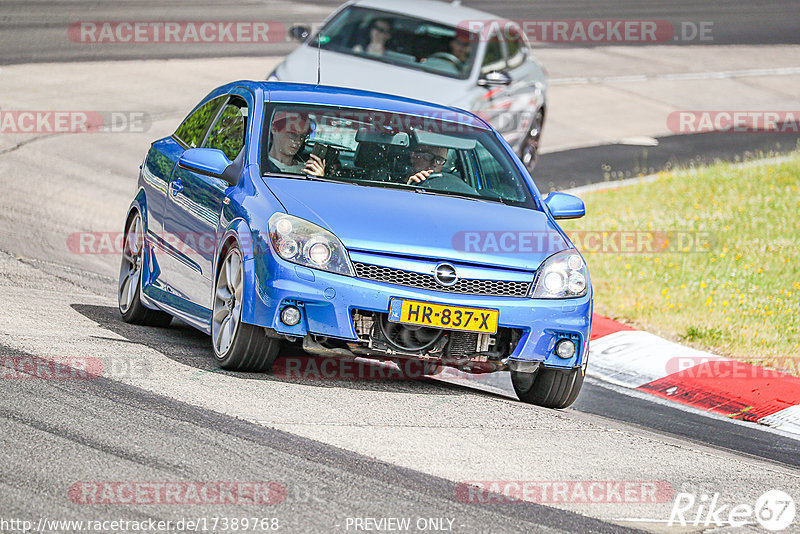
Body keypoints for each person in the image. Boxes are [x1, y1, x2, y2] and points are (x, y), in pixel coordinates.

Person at [266, 111, 325, 176]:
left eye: (302, 136)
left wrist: (319, 178)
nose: (298, 141)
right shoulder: (262, 165)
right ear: (274, 129)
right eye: (293, 134)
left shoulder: (308, 170)